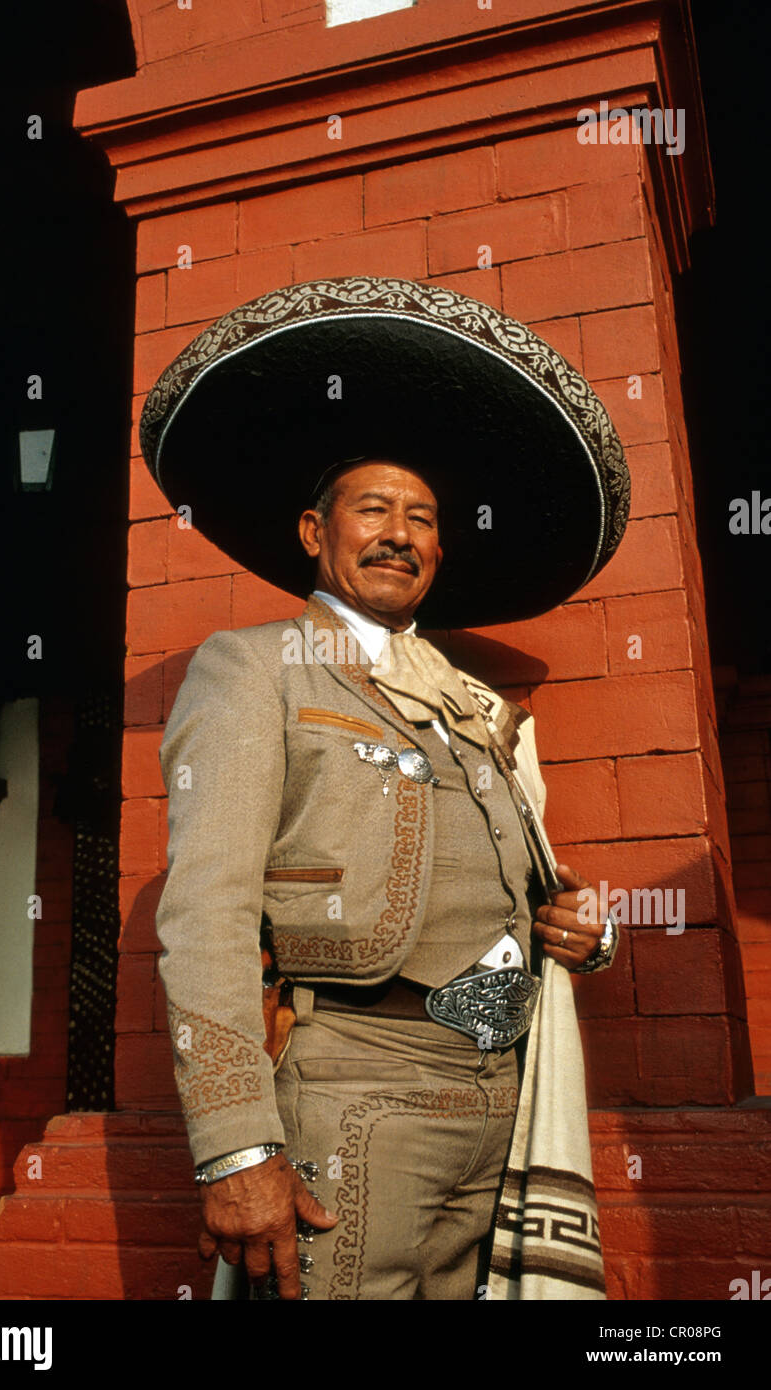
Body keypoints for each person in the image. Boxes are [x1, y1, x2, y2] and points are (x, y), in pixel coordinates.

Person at [142, 275, 630, 1300]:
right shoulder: (254, 665)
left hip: (498, 1092)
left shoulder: (478, 709)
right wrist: (236, 1148)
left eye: (422, 517)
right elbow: (207, 912)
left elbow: (539, 890)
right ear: (316, 534)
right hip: (353, 1083)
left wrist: (584, 929)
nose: (400, 532)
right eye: (373, 510)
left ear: (442, 552)